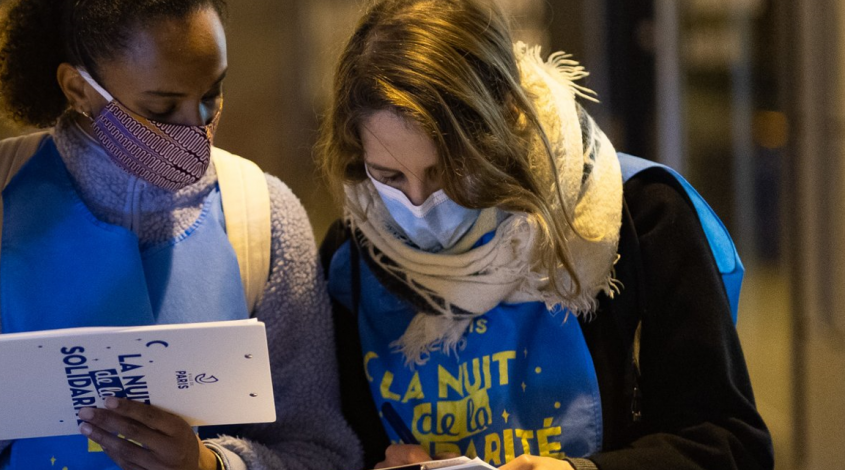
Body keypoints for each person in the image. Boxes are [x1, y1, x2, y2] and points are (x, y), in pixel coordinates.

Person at [0, 1, 362, 469]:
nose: (196, 130)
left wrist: (210, 465)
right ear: (78, 89)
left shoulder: (263, 216)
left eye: (211, 95)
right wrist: (8, 384)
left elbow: (320, 451)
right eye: (161, 109)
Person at [314, 1, 773, 469]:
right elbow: (330, 445)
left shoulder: (638, 217)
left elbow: (733, 446)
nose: (418, 204)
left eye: (445, 172)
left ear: (507, 120)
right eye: (389, 177)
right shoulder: (352, 260)